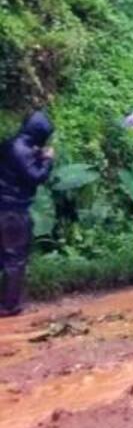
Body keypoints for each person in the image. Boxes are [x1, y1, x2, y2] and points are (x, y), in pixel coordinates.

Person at [0, 112, 54, 316]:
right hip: (14, 211)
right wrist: (47, 160)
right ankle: (9, 306)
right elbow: (35, 176)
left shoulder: (10, 144)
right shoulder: (23, 150)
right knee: (15, 259)